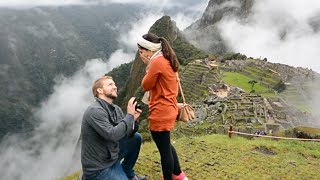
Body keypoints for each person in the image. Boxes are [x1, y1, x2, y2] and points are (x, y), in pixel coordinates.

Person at [137, 33, 188, 180]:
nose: (141, 55)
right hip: (169, 108)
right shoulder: (167, 59)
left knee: (164, 151)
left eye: (142, 52)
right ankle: (178, 174)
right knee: (166, 145)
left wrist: (148, 66)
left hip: (161, 111)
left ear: (149, 50)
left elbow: (146, 85)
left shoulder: (157, 62)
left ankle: (170, 177)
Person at [81, 75, 147, 180]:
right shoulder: (94, 111)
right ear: (100, 90)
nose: (115, 87)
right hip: (98, 167)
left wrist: (133, 119)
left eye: (115, 84)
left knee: (136, 138)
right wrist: (129, 116)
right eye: (110, 84)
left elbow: (127, 133)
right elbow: (112, 135)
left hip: (111, 156)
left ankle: (128, 172)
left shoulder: (116, 109)